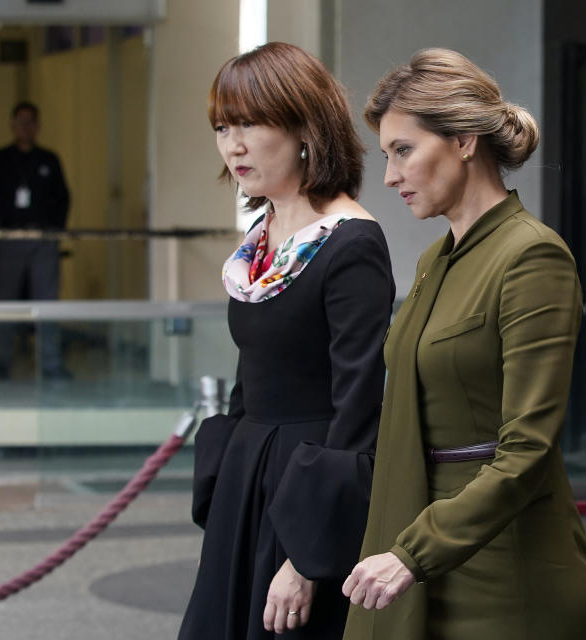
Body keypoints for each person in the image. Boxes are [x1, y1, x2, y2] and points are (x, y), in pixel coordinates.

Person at [341, 48, 586, 640]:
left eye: (403, 151)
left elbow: (528, 449)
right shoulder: (438, 258)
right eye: (386, 156)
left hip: (504, 569)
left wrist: (414, 553)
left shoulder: (532, 255)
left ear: (462, 140)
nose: (389, 176)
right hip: (415, 550)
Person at [178, 42, 395, 640]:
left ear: (305, 127)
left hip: (305, 478)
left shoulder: (350, 243)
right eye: (223, 127)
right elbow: (254, 370)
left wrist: (307, 556)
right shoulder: (263, 235)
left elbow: (358, 408)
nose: (233, 144)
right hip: (248, 477)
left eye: (250, 123)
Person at [0, 101, 70, 379]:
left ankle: (51, 365)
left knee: (47, 304)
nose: (25, 127)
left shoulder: (48, 160)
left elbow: (63, 199)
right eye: (21, 122)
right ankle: (1, 364)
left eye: (31, 122)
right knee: (4, 304)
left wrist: (54, 231)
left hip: (42, 240)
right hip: (9, 241)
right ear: (12, 125)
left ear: (37, 127)